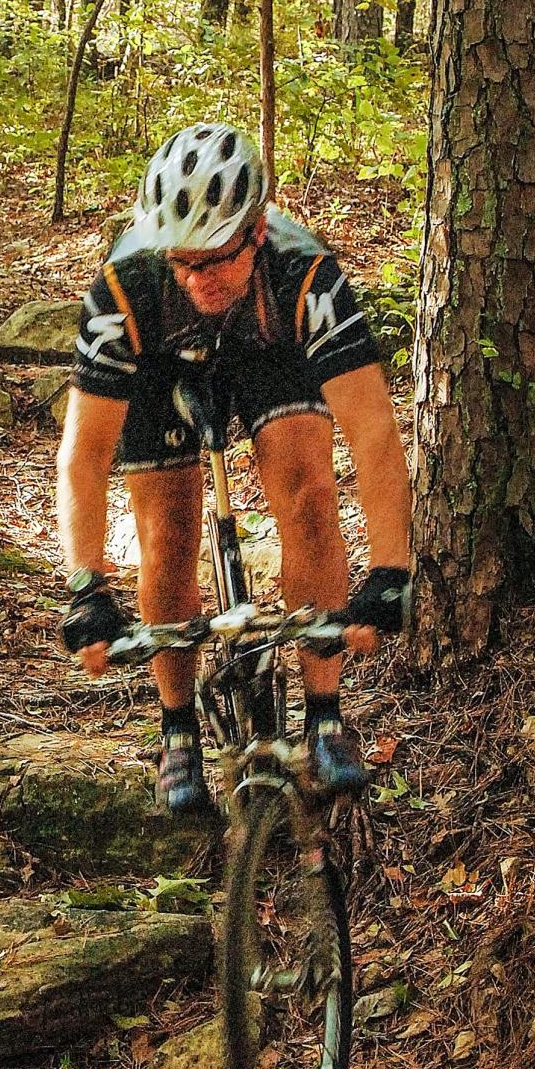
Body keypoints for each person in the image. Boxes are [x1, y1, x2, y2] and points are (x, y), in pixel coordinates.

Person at [55, 121, 412, 816]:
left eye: (216, 260)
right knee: (167, 534)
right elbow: (83, 453)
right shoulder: (127, 286)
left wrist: (391, 571)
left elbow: (373, 433)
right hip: (159, 363)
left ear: (255, 233)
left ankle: (325, 713)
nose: (198, 279)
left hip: (270, 350)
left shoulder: (304, 275)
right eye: (183, 261)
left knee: (308, 495)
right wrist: (85, 586)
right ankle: (178, 727)